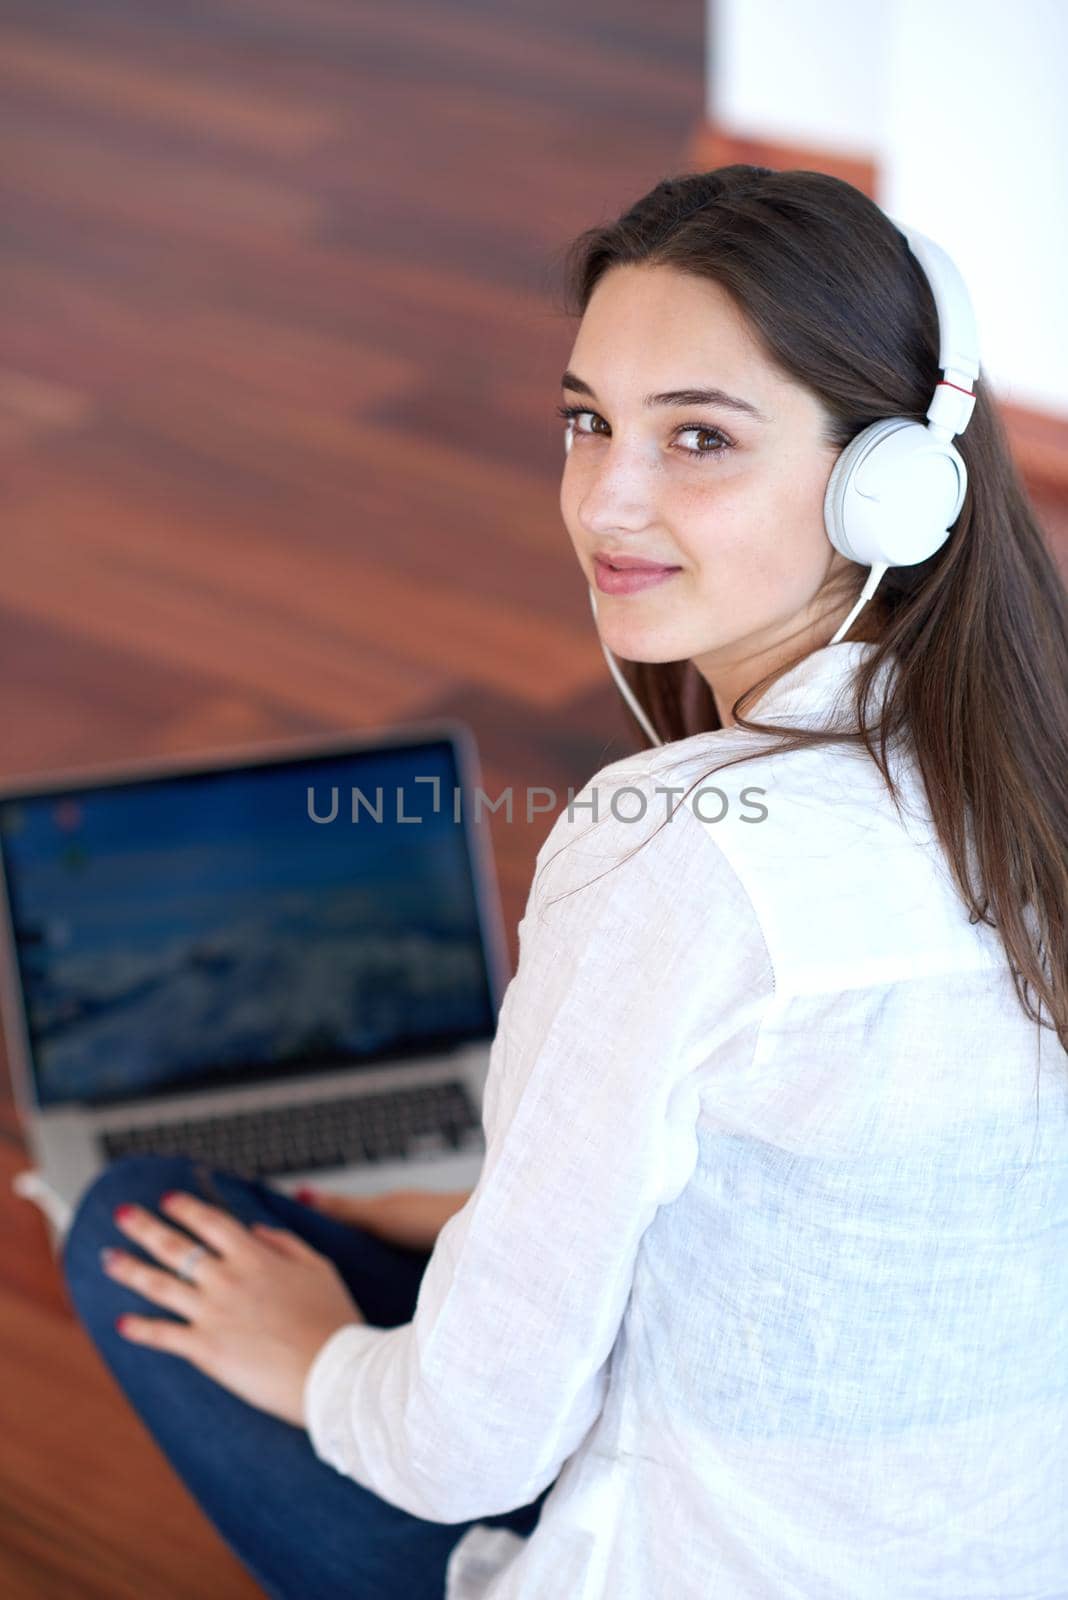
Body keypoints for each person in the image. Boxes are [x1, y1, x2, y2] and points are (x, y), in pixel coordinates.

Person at [62, 165, 1068, 1598]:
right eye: (586, 421)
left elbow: (467, 1454)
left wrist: (319, 1360)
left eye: (700, 438)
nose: (608, 499)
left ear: (892, 486)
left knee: (128, 1227)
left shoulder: (683, 852)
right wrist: (502, 1197)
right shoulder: (1030, 764)